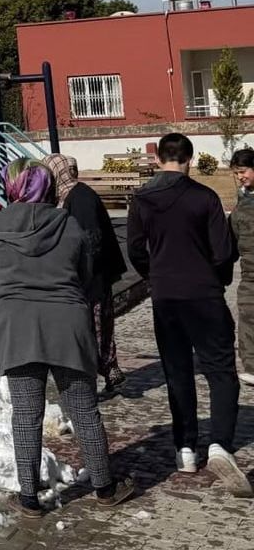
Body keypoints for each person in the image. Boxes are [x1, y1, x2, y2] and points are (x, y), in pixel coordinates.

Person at [0, 159, 134, 517]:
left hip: (16, 327)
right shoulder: (70, 226)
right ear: (47, 187)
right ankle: (104, 487)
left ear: (12, 186)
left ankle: (30, 497)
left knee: (26, 414)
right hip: (68, 325)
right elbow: (85, 272)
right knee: (83, 409)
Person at [127, 133, 249, 495]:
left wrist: (155, 274)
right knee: (221, 371)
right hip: (204, 293)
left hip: (166, 296)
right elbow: (223, 250)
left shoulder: (143, 200)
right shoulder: (204, 197)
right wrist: (217, 278)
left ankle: (185, 448)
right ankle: (220, 445)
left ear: (159, 158)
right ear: (190, 160)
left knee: (177, 371)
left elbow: (135, 248)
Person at [41, 154, 129, 396]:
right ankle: (106, 372)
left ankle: (97, 377)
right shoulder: (66, 194)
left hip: (91, 277)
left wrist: (81, 274)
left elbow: (91, 240)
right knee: (94, 327)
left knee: (94, 328)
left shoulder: (80, 196)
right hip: (86, 276)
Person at [229, 147, 254, 388]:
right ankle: (252, 367)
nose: (240, 177)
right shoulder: (242, 199)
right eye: (237, 173)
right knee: (248, 316)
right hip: (250, 272)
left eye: (243, 171)